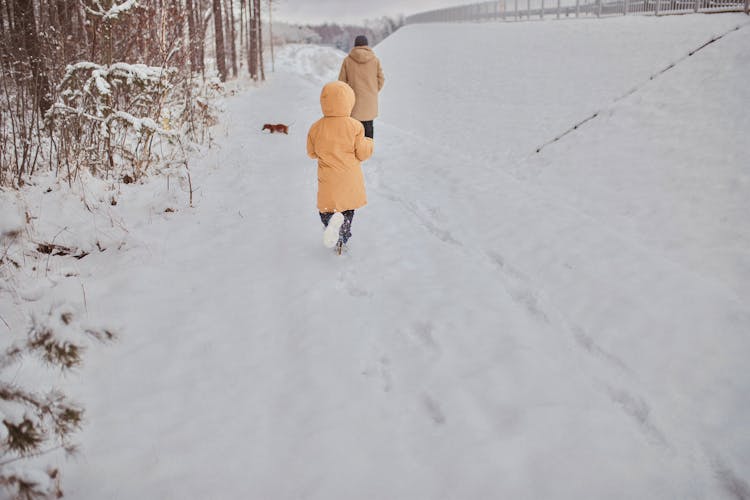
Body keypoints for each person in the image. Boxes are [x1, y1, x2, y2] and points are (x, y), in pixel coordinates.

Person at [307, 81, 374, 254]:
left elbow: (311, 153)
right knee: (347, 208)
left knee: (327, 209)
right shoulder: (355, 126)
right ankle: (343, 235)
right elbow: (363, 153)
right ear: (349, 102)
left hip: (328, 179)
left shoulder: (316, 127)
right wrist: (369, 142)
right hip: (349, 179)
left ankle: (331, 223)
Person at [338, 35, 384, 139]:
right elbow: (381, 79)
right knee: (368, 127)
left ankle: (355, 151)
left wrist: (346, 96)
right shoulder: (375, 60)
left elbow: (342, 83)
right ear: (366, 45)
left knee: (354, 128)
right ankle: (367, 151)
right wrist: (374, 90)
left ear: (355, 45)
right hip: (369, 101)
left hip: (353, 101)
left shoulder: (347, 60)